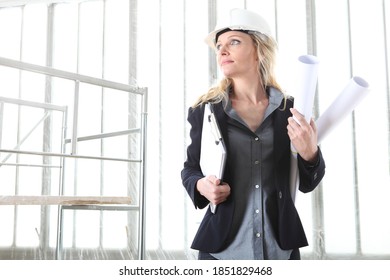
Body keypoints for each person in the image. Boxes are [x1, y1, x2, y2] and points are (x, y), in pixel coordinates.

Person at [181, 8, 325, 260]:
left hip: (281, 249)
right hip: (222, 252)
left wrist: (310, 153)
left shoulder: (291, 109)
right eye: (219, 46)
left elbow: (308, 183)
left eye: (233, 42)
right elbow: (190, 169)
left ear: (259, 50)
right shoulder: (204, 111)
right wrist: (202, 185)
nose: (222, 51)